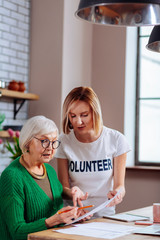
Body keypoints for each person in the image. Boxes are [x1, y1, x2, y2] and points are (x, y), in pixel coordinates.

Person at [0, 115, 88, 240]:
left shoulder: (49, 170)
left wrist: (74, 212)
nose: (51, 148)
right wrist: (52, 221)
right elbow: (16, 231)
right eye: (44, 141)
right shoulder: (12, 177)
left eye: (53, 142)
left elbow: (58, 193)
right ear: (27, 142)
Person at [56, 86, 131, 218]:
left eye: (84, 115)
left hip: (105, 216)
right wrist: (72, 192)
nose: (78, 122)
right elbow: (63, 188)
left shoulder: (116, 139)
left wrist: (118, 193)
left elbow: (120, 186)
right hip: (75, 216)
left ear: (95, 113)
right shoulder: (63, 141)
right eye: (73, 116)